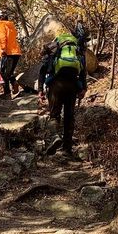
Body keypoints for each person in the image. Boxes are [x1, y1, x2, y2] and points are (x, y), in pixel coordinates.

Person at [38, 30, 86, 158]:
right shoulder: (77, 50)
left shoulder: (54, 49)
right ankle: (67, 149)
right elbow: (83, 71)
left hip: (56, 85)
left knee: (54, 115)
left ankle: (55, 137)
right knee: (69, 117)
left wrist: (40, 90)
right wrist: (83, 89)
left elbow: (43, 70)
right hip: (73, 85)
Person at [0, 10, 22, 98]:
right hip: (15, 52)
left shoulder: (0, 24)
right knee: (8, 73)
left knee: (2, 73)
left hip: (7, 52)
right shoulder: (10, 25)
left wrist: (3, 50)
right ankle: (13, 86)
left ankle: (7, 93)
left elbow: (2, 37)